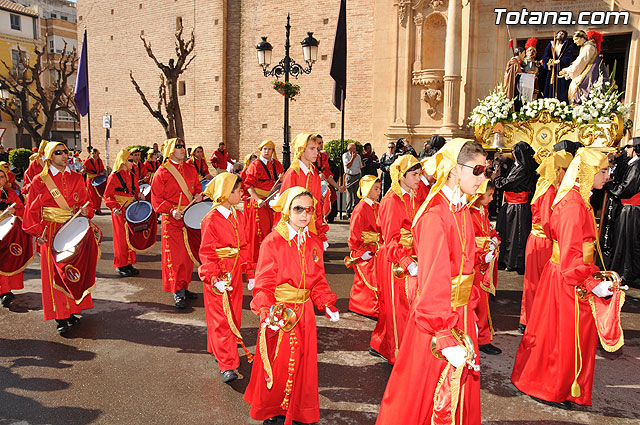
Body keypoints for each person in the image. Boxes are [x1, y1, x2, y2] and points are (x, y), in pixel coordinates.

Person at [376, 138, 487, 425]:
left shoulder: (461, 209)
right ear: (454, 170)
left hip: (459, 314)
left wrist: (470, 308)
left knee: (456, 391)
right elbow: (434, 279)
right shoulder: (436, 215)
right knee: (426, 393)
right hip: (437, 322)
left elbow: (466, 268)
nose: (483, 178)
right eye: (477, 170)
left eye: (485, 171)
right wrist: (444, 333)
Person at [511, 148, 623, 409]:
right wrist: (595, 284)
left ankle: (554, 384)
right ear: (587, 172)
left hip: (568, 275)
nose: (607, 176)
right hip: (569, 280)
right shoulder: (573, 204)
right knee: (561, 338)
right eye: (603, 171)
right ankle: (548, 386)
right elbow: (572, 258)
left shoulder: (578, 198)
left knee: (556, 335)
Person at [244, 187, 339, 425]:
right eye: (298, 209)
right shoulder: (273, 242)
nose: (304, 215)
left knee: (303, 362)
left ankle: (299, 410)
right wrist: (267, 312)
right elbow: (263, 284)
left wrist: (325, 303)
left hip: (304, 311)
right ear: (287, 210)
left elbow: (317, 281)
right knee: (278, 362)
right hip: (279, 311)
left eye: (309, 209)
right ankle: (272, 409)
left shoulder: (314, 242)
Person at [22, 142, 99, 335]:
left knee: (74, 269)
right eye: (58, 153)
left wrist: (85, 211)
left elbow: (86, 203)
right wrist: (39, 233)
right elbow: (30, 213)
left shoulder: (76, 178)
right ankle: (60, 315)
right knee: (55, 275)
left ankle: (72, 310)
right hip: (51, 232)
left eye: (65, 152)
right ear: (49, 157)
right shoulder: (40, 181)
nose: (64, 155)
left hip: (73, 229)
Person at [198, 173, 254, 383]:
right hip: (219, 274)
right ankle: (227, 363)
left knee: (234, 314)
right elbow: (207, 253)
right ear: (226, 193)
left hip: (236, 271)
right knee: (222, 318)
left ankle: (218, 349)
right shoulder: (210, 220)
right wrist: (214, 278)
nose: (241, 193)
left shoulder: (238, 216)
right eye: (238, 190)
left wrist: (250, 272)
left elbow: (245, 246)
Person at [369, 155, 421, 365]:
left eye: (419, 174)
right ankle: (396, 352)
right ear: (401, 175)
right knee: (396, 306)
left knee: (402, 306)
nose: (419, 178)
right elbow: (390, 240)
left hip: (410, 257)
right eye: (414, 174)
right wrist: (407, 261)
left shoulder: (414, 196)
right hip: (395, 260)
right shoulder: (392, 201)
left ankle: (381, 343)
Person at [519, 150, 572, 332]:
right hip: (544, 241)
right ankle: (534, 321)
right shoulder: (549, 190)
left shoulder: (544, 184)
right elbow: (548, 221)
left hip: (538, 239)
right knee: (540, 284)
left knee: (533, 282)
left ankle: (529, 320)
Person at [150, 138, 203, 309]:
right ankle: (177, 291)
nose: (182, 149)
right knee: (176, 257)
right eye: (178, 147)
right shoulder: (161, 173)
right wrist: (172, 210)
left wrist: (197, 195)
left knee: (188, 257)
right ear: (170, 150)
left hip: (188, 217)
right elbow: (156, 199)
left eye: (183, 146)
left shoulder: (190, 168)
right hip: (172, 220)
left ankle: (184, 286)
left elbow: (196, 188)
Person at [494, 141, 538, 274]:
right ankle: (506, 260)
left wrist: (497, 179)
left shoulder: (523, 169)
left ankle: (514, 262)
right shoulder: (517, 166)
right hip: (511, 206)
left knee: (516, 236)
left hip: (518, 207)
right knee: (508, 234)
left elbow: (508, 184)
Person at [469, 179, 501, 355]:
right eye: (488, 195)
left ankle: (482, 335)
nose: (490, 198)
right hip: (477, 263)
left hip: (485, 262)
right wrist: (483, 251)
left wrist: (495, 237)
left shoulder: (483, 212)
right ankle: (481, 338)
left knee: (484, 301)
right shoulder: (470, 213)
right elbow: (469, 241)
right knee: (479, 301)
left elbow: (488, 231)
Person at [279, 133, 329, 245]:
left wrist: (320, 233)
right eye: (312, 148)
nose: (317, 152)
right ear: (301, 150)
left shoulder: (315, 175)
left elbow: (317, 208)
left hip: (311, 231)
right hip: (294, 232)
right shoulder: (292, 174)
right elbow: (285, 208)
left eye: (317, 148)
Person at [103, 148, 142, 277]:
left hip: (131, 210)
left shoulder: (133, 176)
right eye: (130, 160)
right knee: (121, 239)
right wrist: (114, 208)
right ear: (123, 161)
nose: (133, 162)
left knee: (131, 237)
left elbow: (135, 191)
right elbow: (107, 196)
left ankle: (129, 263)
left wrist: (139, 196)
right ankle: (121, 265)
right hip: (119, 211)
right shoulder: (113, 176)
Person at [347, 175, 382, 318]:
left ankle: (371, 306)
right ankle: (362, 306)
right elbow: (354, 236)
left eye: (379, 188)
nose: (379, 191)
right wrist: (361, 253)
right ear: (367, 189)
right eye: (376, 188)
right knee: (369, 277)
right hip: (365, 249)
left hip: (377, 248)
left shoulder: (378, 206)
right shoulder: (360, 209)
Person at [244, 140, 284, 263]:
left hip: (274, 201)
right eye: (264, 149)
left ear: (273, 151)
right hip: (259, 202)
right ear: (260, 150)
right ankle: (258, 259)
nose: (267, 151)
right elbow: (248, 185)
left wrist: (282, 179)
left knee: (274, 229)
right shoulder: (254, 165)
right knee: (260, 231)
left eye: (269, 149)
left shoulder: (277, 165)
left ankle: (272, 256)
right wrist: (258, 199)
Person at [608, 137, 640, 287]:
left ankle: (627, 274)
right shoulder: (632, 164)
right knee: (624, 241)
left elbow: (627, 188)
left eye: (629, 146)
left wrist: (611, 187)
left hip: (632, 210)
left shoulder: (637, 165)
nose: (626, 149)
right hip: (628, 208)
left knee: (628, 242)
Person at [0, 168, 31, 308]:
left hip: (9, 234)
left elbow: (22, 211)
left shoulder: (11, 193)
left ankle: (6, 290)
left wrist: (13, 211)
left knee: (8, 261)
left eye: (1, 176)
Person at [559, 30, 609, 105]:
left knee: (576, 85)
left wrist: (567, 70)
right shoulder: (585, 47)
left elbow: (581, 62)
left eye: (576, 39)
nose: (575, 42)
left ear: (582, 38)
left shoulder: (588, 47)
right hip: (585, 71)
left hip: (590, 75)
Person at [314, 135, 345, 220]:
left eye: (322, 142)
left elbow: (327, 175)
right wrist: (317, 177)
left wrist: (338, 187)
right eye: (319, 143)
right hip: (312, 189)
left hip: (321, 188)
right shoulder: (307, 155)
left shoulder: (323, 157)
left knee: (331, 194)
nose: (321, 144)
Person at [542, 30, 574, 103]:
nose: (560, 35)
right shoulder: (551, 44)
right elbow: (545, 57)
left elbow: (569, 56)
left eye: (562, 34)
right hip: (552, 71)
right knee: (550, 88)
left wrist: (560, 61)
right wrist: (551, 61)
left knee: (562, 88)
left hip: (562, 70)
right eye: (559, 33)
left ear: (565, 37)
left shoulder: (568, 45)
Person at [342, 143, 363, 217]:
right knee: (349, 194)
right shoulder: (345, 155)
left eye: (355, 148)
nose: (354, 150)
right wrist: (353, 158)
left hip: (357, 176)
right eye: (353, 148)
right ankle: (348, 211)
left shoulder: (358, 156)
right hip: (349, 176)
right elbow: (347, 166)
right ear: (349, 149)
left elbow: (360, 166)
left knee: (356, 194)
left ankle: (355, 210)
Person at [83, 148, 106, 215]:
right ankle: (93, 209)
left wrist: (102, 172)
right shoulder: (88, 161)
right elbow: (84, 168)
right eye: (92, 153)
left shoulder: (100, 161)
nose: (94, 154)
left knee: (98, 195)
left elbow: (102, 169)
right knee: (91, 195)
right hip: (90, 180)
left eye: (95, 153)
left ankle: (98, 209)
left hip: (98, 179)